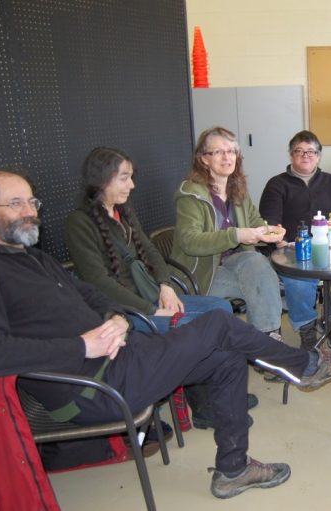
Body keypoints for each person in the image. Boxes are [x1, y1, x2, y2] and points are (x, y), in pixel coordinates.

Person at [0, 170, 331, 499]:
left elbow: (90, 292)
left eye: (32, 201)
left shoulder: (32, 258)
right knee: (220, 322)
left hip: (122, 357)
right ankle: (308, 364)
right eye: (16, 203)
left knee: (225, 357)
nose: (30, 211)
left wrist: (115, 317)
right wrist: (82, 344)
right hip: (90, 388)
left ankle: (233, 470)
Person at [64, 146, 259, 430]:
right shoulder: (79, 223)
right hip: (126, 313)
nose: (131, 185)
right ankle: (206, 406)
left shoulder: (123, 213)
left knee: (220, 307)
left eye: (131, 177)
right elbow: (99, 282)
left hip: (152, 297)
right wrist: (151, 310)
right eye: (124, 178)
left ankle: (218, 387)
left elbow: (153, 254)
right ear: (101, 179)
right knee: (201, 327)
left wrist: (166, 286)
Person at [171, 127, 284, 337]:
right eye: (218, 152)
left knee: (257, 266)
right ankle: (269, 341)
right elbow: (189, 241)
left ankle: (266, 341)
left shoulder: (237, 190)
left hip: (235, 263)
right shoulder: (191, 194)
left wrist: (273, 233)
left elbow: (255, 222)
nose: (227, 157)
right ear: (204, 159)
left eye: (231, 151)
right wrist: (236, 235)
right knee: (263, 285)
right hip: (202, 272)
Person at [259, 130, 331, 350]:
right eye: (299, 151)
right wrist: (281, 240)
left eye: (311, 152)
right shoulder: (277, 184)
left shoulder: (329, 181)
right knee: (300, 280)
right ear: (290, 155)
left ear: (319, 156)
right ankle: (307, 329)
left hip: (330, 247)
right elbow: (270, 222)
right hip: (291, 249)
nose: (306, 156)